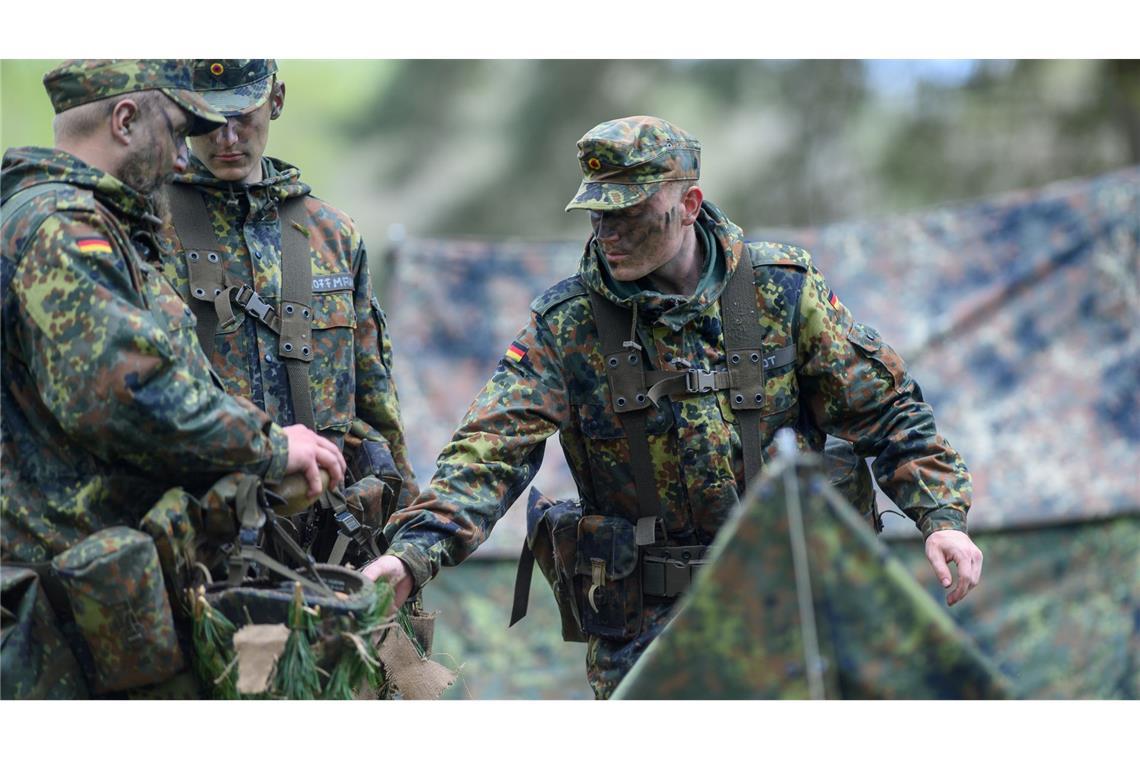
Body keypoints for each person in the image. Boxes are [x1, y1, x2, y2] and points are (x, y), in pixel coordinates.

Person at [364, 115, 984, 699]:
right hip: (646, 634)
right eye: (597, 215)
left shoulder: (782, 291)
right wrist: (411, 552)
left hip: (796, 606)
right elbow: (489, 451)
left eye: (629, 214)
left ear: (688, 205)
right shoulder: (568, 324)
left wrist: (942, 515)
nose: (608, 234)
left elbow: (887, 409)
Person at [0, 59, 344, 698]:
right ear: (126, 120)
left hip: (91, 609)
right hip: (62, 629)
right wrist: (271, 445)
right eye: (177, 130)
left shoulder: (76, 223)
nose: (187, 160)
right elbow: (127, 394)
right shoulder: (64, 232)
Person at [158, 60, 417, 567]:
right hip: (197, 540)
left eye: (243, 116)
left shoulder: (333, 235)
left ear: (275, 100)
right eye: (209, 119)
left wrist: (404, 538)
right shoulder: (147, 229)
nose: (227, 137)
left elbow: (376, 401)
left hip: (326, 543)